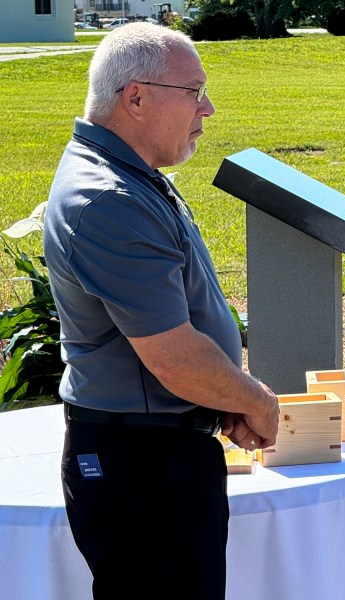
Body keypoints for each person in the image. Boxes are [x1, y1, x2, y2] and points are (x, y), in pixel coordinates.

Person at [43, 23, 279, 600]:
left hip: (154, 452)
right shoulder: (109, 200)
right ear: (137, 98)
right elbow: (173, 357)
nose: (209, 107)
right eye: (194, 91)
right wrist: (255, 400)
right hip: (144, 466)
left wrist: (222, 397)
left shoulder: (127, 178)